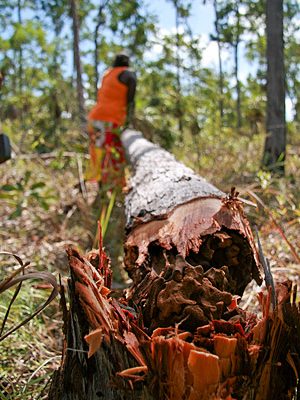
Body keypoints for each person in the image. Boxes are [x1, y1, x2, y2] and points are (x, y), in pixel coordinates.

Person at [86, 53, 137, 187]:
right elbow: (130, 98)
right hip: (110, 120)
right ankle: (117, 187)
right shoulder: (128, 74)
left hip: (95, 118)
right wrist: (129, 119)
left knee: (98, 153)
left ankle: (102, 188)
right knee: (113, 154)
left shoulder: (107, 74)